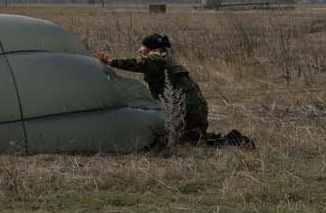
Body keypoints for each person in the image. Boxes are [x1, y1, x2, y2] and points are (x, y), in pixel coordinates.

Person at [94, 33, 253, 148]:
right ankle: (229, 140)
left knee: (189, 141)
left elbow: (139, 64)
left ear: (150, 48)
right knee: (192, 140)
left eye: (142, 46)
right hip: (192, 106)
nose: (139, 49)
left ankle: (232, 141)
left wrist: (110, 62)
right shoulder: (162, 57)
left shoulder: (157, 58)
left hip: (188, 109)